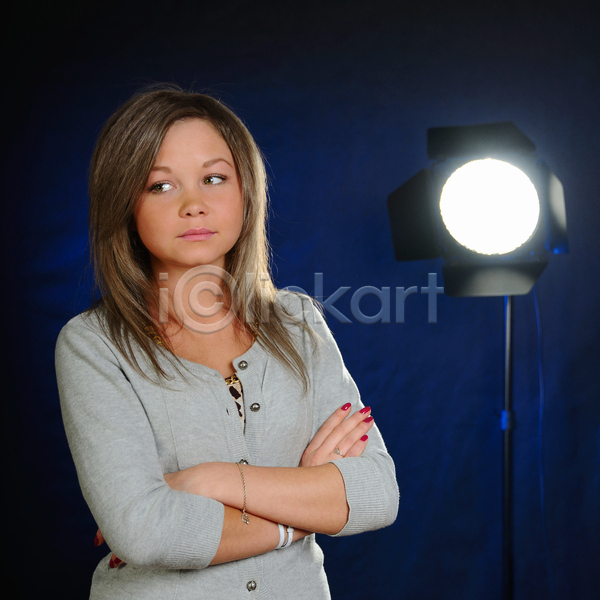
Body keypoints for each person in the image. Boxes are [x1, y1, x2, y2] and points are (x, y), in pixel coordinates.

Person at [55, 85, 399, 599]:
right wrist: (303, 506)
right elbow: (146, 533)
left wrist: (211, 480)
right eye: (160, 186)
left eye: (214, 178)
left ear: (246, 192)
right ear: (125, 204)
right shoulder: (93, 345)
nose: (194, 205)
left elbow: (376, 494)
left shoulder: (299, 322)